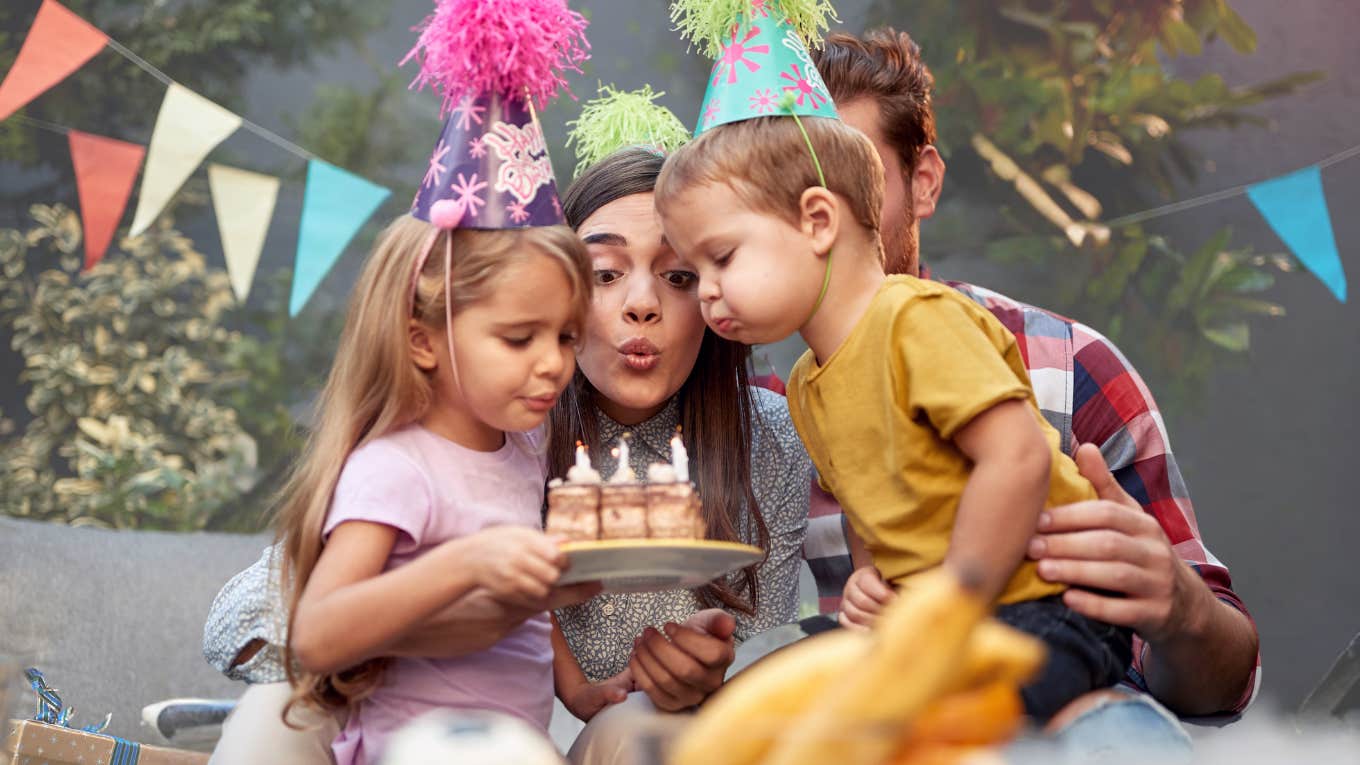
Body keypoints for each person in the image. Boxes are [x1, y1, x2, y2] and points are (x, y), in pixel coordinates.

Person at [810, 28, 1260, 722]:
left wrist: (1180, 606)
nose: (815, 223)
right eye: (784, 195)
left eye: (846, 182)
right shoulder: (773, 414)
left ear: (923, 182)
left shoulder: (1071, 369)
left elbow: (1226, 678)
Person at [657, 98, 1141, 718]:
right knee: (779, 705)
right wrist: (872, 583)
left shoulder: (914, 319)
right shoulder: (807, 384)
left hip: (1048, 605)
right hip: (936, 627)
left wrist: (953, 596)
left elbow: (1018, 457)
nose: (708, 291)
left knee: (943, 724)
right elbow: (870, 503)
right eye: (692, 273)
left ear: (816, 221)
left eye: (721, 258)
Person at [274, 214, 591, 765]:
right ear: (423, 342)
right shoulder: (395, 468)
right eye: (520, 338)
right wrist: (467, 562)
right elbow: (317, 635)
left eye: (567, 337)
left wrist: (581, 689)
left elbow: (526, 615)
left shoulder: (524, 451)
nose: (554, 363)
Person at [550, 143, 812, 732]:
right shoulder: (505, 435)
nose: (642, 304)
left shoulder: (770, 438)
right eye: (606, 274)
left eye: (677, 276)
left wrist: (714, 679)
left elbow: (763, 673)